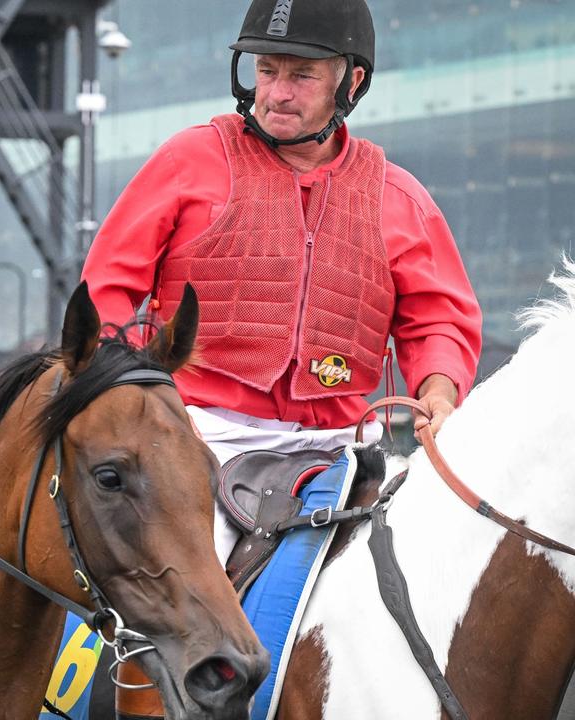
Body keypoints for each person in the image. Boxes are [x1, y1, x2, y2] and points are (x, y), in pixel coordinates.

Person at [81, 0, 481, 556]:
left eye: (301, 75)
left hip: (343, 449)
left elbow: (438, 317)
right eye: (267, 70)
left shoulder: (400, 196)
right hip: (191, 434)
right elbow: (109, 288)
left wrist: (439, 388)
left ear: (352, 81)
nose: (277, 92)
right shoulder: (187, 160)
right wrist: (125, 399)